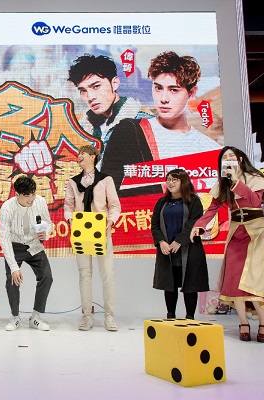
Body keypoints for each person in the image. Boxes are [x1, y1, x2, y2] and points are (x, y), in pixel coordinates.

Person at [190, 146, 264, 343]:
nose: (228, 159)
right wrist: (199, 225)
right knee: (233, 277)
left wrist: (236, 182)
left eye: (231, 156)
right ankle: (243, 322)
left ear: (240, 159)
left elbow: (255, 201)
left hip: (257, 232)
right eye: (224, 157)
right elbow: (212, 209)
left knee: (256, 277)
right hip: (236, 232)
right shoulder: (222, 184)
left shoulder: (255, 179)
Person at [100, 51, 221, 196]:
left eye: (173, 90)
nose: (163, 99)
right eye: (158, 88)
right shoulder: (129, 132)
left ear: (192, 92)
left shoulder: (210, 149)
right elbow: (106, 193)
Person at [67, 54, 155, 197]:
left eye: (96, 86)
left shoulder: (144, 124)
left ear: (115, 83)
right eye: (83, 90)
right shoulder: (81, 130)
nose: (90, 97)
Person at [64, 145, 121, 331]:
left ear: (93, 157)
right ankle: (86, 316)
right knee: (84, 274)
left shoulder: (105, 180)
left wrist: (110, 222)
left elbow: (114, 205)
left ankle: (109, 316)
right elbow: (68, 206)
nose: (79, 156)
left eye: (82, 153)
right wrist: (71, 219)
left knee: (107, 274)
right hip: (81, 232)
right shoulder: (73, 182)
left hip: (101, 231)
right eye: (78, 154)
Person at [151, 169, 209, 319]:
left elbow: (194, 223)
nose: (170, 183)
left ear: (183, 182)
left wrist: (179, 241)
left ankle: (190, 317)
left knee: (190, 285)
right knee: (169, 285)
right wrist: (161, 242)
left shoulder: (194, 201)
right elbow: (155, 225)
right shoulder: (161, 202)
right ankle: (170, 316)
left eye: (174, 180)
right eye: (168, 180)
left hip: (189, 249)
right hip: (167, 250)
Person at [0, 176, 54, 331]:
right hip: (15, 246)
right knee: (12, 279)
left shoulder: (40, 202)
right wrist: (14, 267)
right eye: (27, 195)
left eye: (33, 194)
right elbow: (4, 238)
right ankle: (15, 317)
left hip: (34, 245)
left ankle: (36, 316)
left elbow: (49, 223)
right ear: (17, 194)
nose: (31, 199)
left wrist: (46, 233)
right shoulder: (7, 208)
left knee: (47, 277)